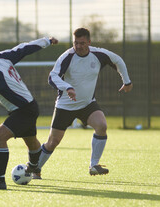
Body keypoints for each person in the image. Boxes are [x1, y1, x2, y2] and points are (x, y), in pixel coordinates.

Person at [33, 27, 133, 179]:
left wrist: (127, 81)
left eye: (82, 43)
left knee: (102, 126)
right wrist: (67, 88)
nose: (78, 46)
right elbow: (52, 77)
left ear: (89, 42)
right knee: (53, 142)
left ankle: (94, 165)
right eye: (75, 43)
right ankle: (35, 168)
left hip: (87, 104)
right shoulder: (67, 57)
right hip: (65, 106)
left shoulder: (98, 55)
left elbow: (118, 60)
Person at [0, 36, 59, 190]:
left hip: (22, 110)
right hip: (30, 106)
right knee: (31, 141)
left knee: (0, 136)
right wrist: (47, 40)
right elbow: (24, 47)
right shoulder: (2, 57)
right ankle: (34, 166)